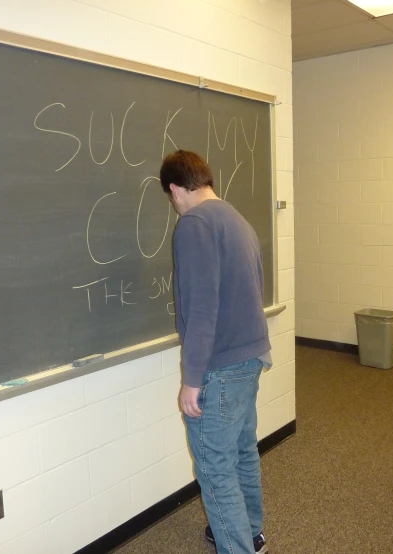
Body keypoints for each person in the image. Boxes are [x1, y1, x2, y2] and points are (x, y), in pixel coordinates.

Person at [160, 150, 272, 553]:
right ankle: (251, 532)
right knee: (242, 450)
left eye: (171, 198)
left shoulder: (194, 224)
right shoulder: (235, 219)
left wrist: (192, 381)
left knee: (214, 466)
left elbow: (201, 308)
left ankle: (238, 545)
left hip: (220, 367)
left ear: (174, 189)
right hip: (250, 356)